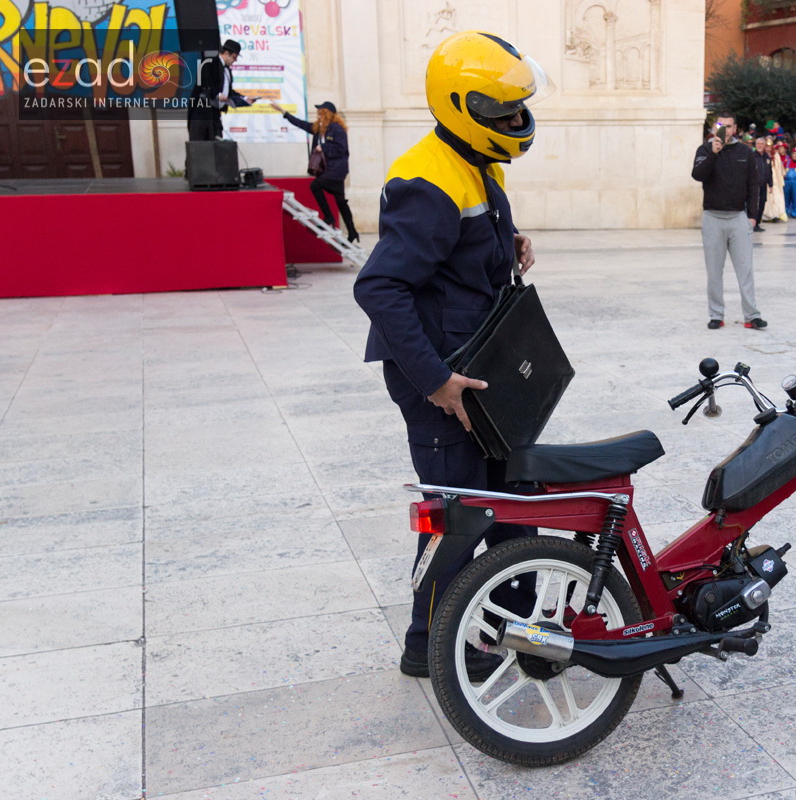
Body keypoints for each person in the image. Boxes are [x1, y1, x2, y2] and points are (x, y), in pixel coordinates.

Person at [353, 30, 548, 680]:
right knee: (458, 519)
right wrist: (437, 383)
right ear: (463, 107)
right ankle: (431, 646)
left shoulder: (476, 162)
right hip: (441, 379)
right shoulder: (428, 179)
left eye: (519, 108)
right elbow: (380, 286)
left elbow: (457, 250)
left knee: (512, 503)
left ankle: (515, 630)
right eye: (505, 111)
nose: (516, 121)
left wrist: (506, 243)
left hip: (478, 366)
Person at [692, 112, 766, 330]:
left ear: (736, 129)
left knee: (746, 270)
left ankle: (752, 316)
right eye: (721, 126)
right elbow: (697, 175)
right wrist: (714, 153)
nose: (726, 130)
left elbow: (753, 185)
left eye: (730, 126)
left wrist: (752, 216)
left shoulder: (745, 151)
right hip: (713, 217)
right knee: (714, 271)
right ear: (715, 128)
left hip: (738, 218)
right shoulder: (705, 149)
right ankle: (716, 315)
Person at [271, 100, 359, 242]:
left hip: (336, 170)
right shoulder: (319, 129)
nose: (318, 116)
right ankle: (352, 231)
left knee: (315, 185)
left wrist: (323, 147)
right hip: (328, 170)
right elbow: (301, 124)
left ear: (327, 114)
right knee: (341, 201)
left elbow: (341, 149)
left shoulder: (337, 129)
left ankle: (329, 217)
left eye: (320, 113)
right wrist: (284, 112)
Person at [187, 40, 256, 141]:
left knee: (216, 145)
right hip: (202, 112)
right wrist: (217, 95)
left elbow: (228, 91)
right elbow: (205, 82)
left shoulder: (227, 70)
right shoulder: (209, 62)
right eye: (234, 57)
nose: (235, 61)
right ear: (227, 53)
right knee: (200, 146)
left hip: (215, 113)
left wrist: (244, 99)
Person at [751, 136, 772, 232]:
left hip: (764, 185)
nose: (759, 145)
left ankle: (758, 223)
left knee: (762, 204)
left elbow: (769, 171)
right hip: (754, 185)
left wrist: (771, 184)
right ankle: (752, 224)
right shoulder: (752, 156)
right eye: (758, 144)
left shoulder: (767, 157)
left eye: (761, 144)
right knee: (754, 205)